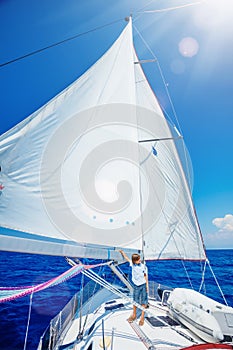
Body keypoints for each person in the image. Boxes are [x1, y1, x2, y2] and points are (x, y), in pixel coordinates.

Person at [119, 250, 148, 326]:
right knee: (135, 301)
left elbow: (145, 276)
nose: (140, 260)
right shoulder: (132, 264)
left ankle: (142, 317)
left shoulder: (143, 266)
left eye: (139, 259)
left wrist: (147, 286)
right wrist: (122, 253)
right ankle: (134, 315)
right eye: (138, 260)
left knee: (144, 301)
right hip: (136, 285)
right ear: (134, 261)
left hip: (143, 285)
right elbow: (127, 258)